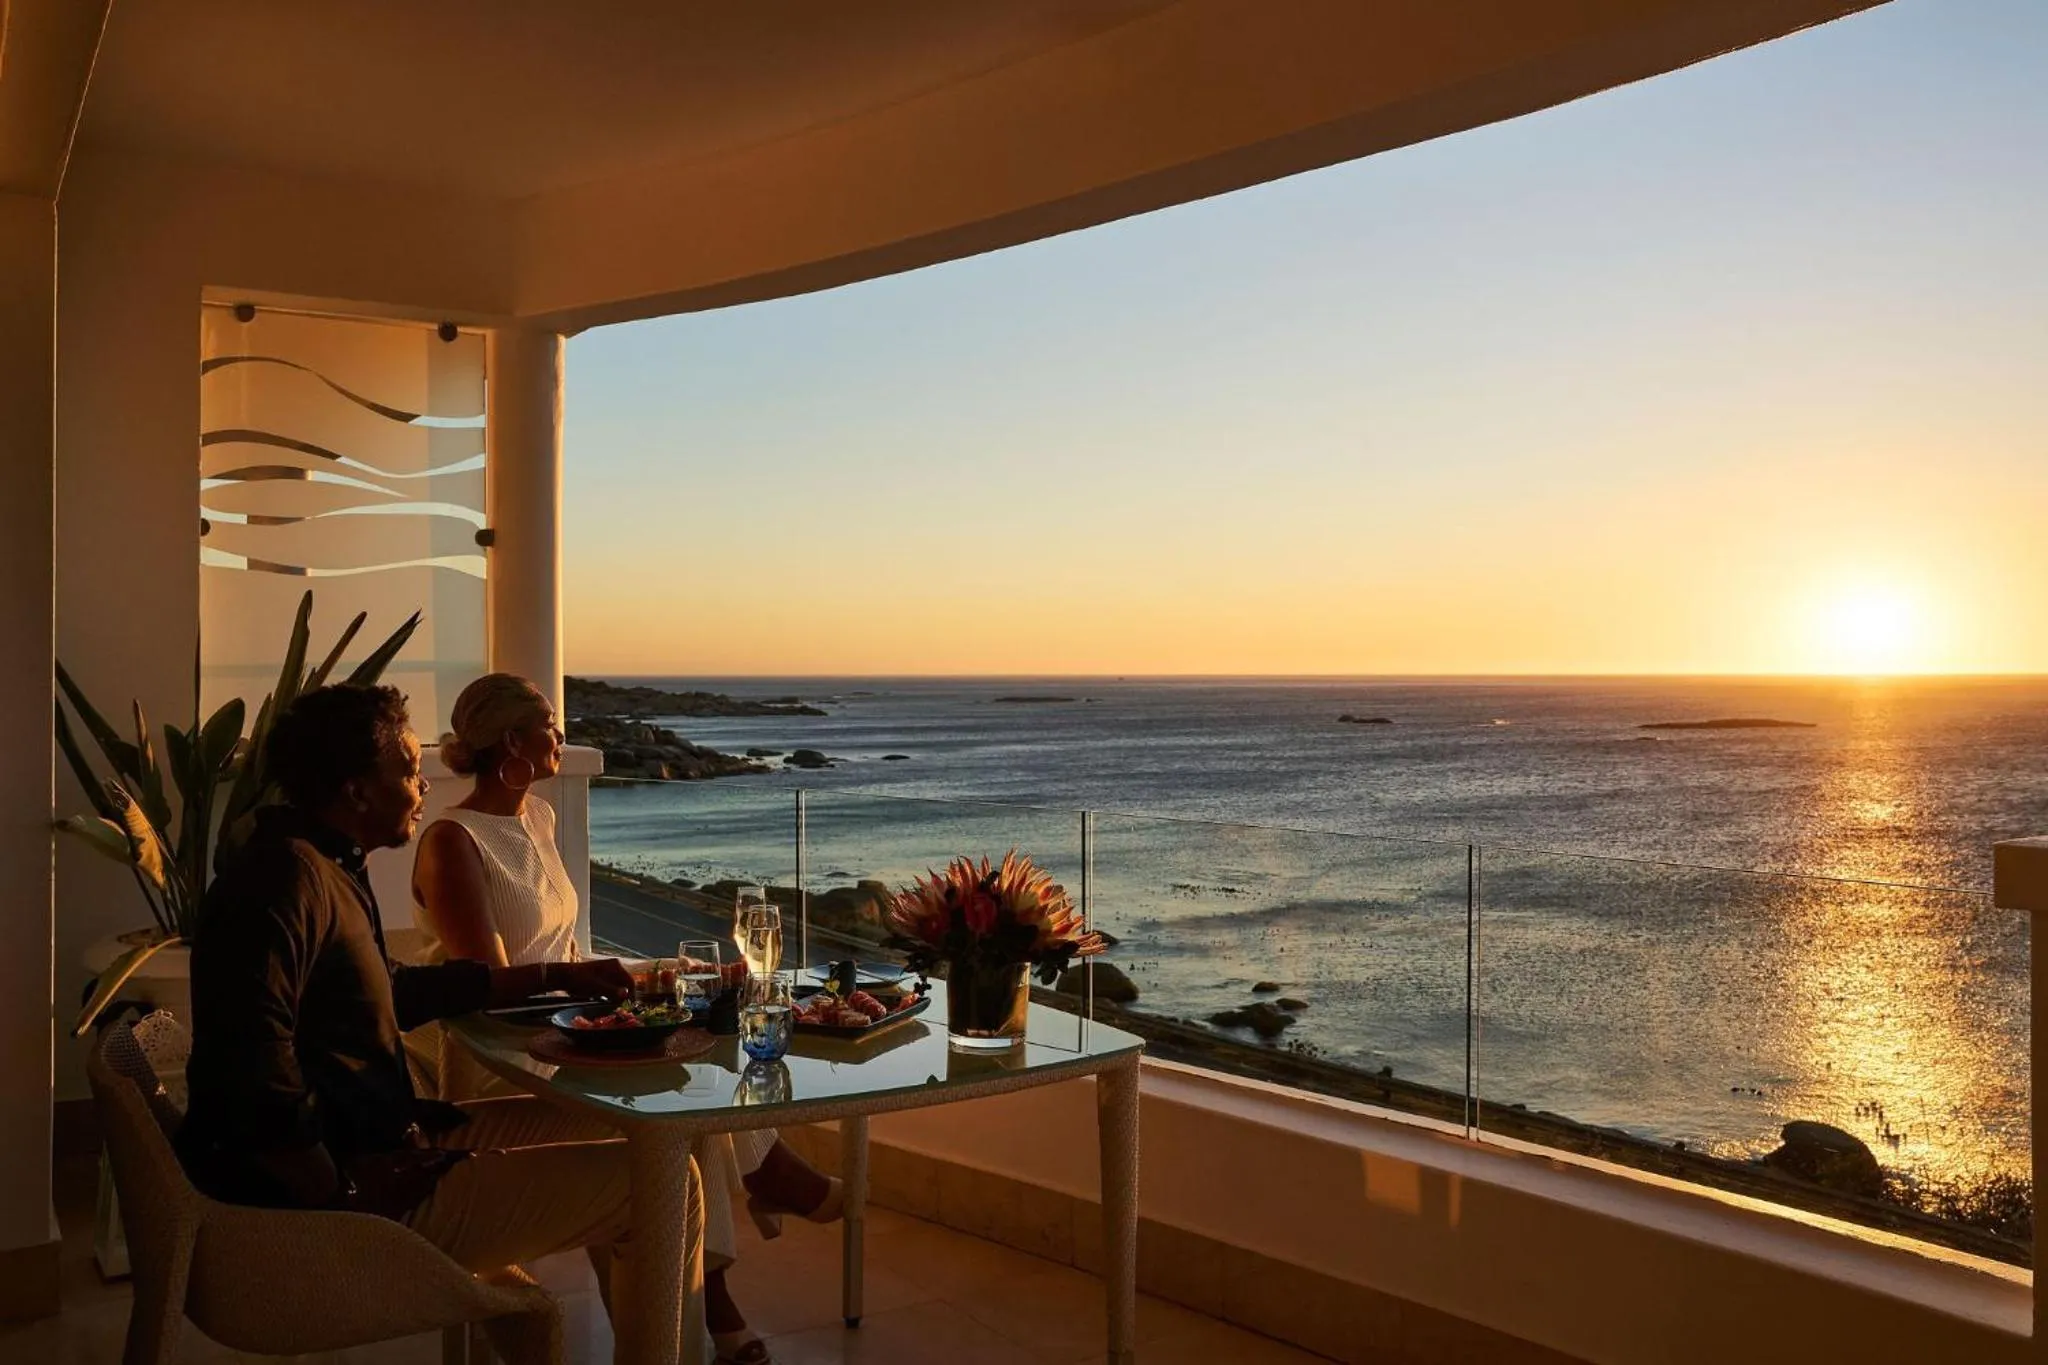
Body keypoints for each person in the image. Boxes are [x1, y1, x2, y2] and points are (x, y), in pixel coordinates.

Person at [176, 683, 689, 1356]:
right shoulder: (285, 884)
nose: (424, 782)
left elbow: (389, 991)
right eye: (409, 768)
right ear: (358, 789)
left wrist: (552, 974)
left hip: (389, 1138)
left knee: (633, 1126)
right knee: (662, 1187)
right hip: (359, 1185)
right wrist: (345, 1192)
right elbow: (252, 1066)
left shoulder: (322, 863)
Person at [412, 673, 840, 1365]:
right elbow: (485, 987)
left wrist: (667, 968)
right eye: (552, 724)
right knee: (680, 1114)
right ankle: (751, 1226)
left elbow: (569, 953)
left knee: (688, 1095)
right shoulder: (453, 840)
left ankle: (701, 1321)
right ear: (515, 740)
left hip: (575, 1033)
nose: (563, 737)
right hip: (508, 1056)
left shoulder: (538, 819)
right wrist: (602, 990)